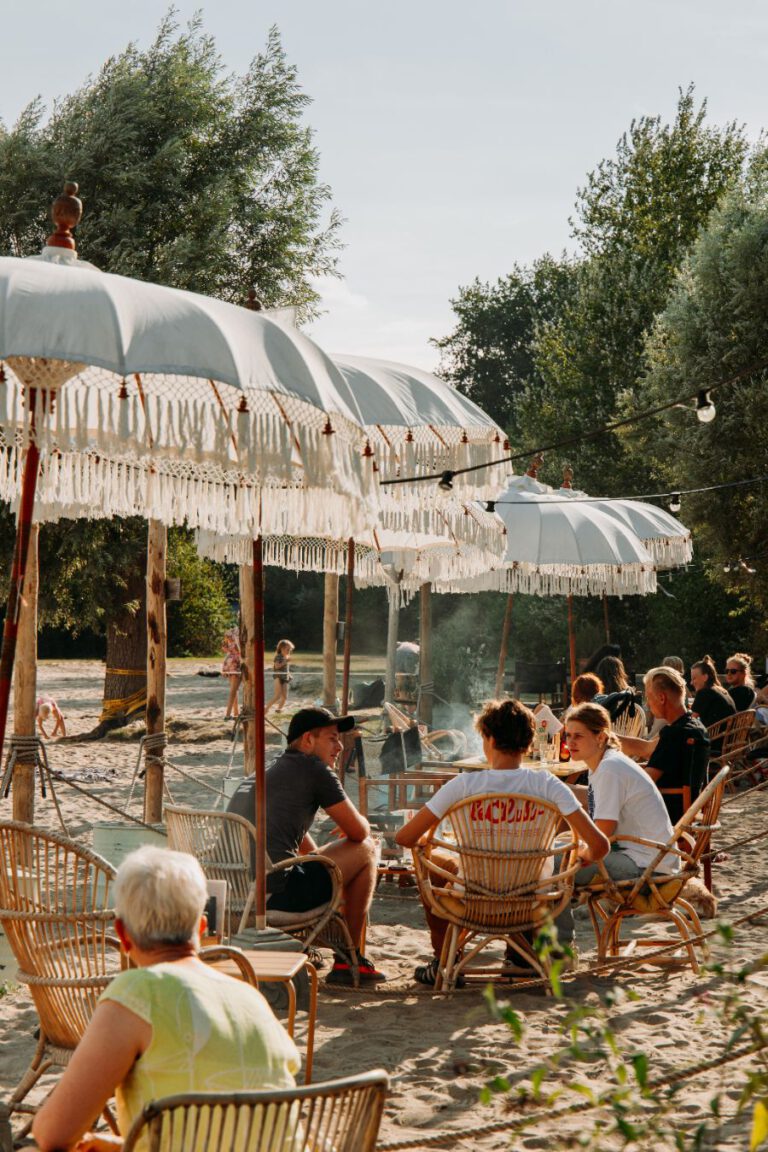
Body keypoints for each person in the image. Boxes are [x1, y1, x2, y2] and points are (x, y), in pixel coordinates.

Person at [31, 846, 299, 1152]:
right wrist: (123, 1146)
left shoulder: (137, 995)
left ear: (122, 933)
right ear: (201, 927)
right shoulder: (251, 1000)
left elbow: (53, 1133)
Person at [396, 698, 609, 985]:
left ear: (489, 738)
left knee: (431, 861)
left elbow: (405, 837)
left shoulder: (462, 786)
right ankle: (519, 954)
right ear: (529, 743)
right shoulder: (549, 786)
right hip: (531, 899)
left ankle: (444, 960)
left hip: (472, 898)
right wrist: (579, 856)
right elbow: (600, 846)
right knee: (515, 863)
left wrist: (426, 841)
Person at [227, 706, 386, 986]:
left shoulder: (271, 767)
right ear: (308, 740)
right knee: (368, 849)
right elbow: (359, 833)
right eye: (332, 738)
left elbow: (290, 838)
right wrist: (358, 827)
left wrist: (319, 855)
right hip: (272, 896)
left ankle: (339, 950)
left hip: (232, 894)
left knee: (335, 856)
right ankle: (349, 958)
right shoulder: (314, 768)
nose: (339, 747)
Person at [564, 703, 679, 905]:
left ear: (601, 737)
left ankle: (554, 930)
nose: (570, 742)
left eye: (578, 736)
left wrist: (576, 853)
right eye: (568, 735)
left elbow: (603, 835)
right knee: (554, 853)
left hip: (648, 870)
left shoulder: (609, 768)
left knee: (550, 864)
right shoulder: (604, 763)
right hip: (651, 859)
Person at [620, 667, 710, 822]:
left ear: (661, 698)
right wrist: (606, 737)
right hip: (683, 808)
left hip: (662, 813)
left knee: (575, 798)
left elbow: (643, 782)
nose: (647, 704)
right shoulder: (694, 727)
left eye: (648, 697)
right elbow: (647, 749)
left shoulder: (674, 734)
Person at [690, 656, 736, 744]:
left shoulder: (705, 692)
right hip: (729, 741)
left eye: (694, 678)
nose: (691, 682)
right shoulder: (721, 690)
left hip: (714, 743)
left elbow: (690, 720)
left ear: (705, 677)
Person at [265, 639, 296, 716]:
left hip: (285, 678)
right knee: (277, 696)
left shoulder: (287, 657)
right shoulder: (279, 656)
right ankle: (266, 709)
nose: (289, 651)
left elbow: (286, 668)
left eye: (290, 649)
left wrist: (289, 675)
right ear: (282, 648)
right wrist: (285, 661)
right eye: (287, 649)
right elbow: (277, 666)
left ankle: (279, 710)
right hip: (278, 677)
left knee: (285, 696)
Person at [221, 626, 242, 719]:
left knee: (234, 689)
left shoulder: (230, 631)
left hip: (229, 660)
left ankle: (235, 712)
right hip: (236, 661)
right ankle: (228, 714)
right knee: (234, 689)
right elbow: (239, 649)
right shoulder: (239, 632)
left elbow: (224, 647)